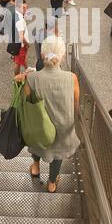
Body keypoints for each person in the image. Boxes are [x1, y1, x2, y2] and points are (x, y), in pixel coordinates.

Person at [15, 35, 80, 193]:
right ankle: (52, 183)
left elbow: (26, 103)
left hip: (39, 127)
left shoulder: (31, 79)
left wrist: (20, 81)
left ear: (42, 55)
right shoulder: (72, 78)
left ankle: (36, 167)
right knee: (57, 154)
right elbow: (75, 104)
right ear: (62, 56)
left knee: (37, 143)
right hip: (62, 127)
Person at [13, 0, 30, 76]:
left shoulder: (16, 14)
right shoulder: (20, 20)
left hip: (16, 42)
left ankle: (27, 68)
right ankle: (16, 77)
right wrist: (27, 44)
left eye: (26, 7)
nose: (26, 9)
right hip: (21, 45)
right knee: (18, 62)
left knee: (20, 59)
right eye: (24, 8)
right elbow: (21, 37)